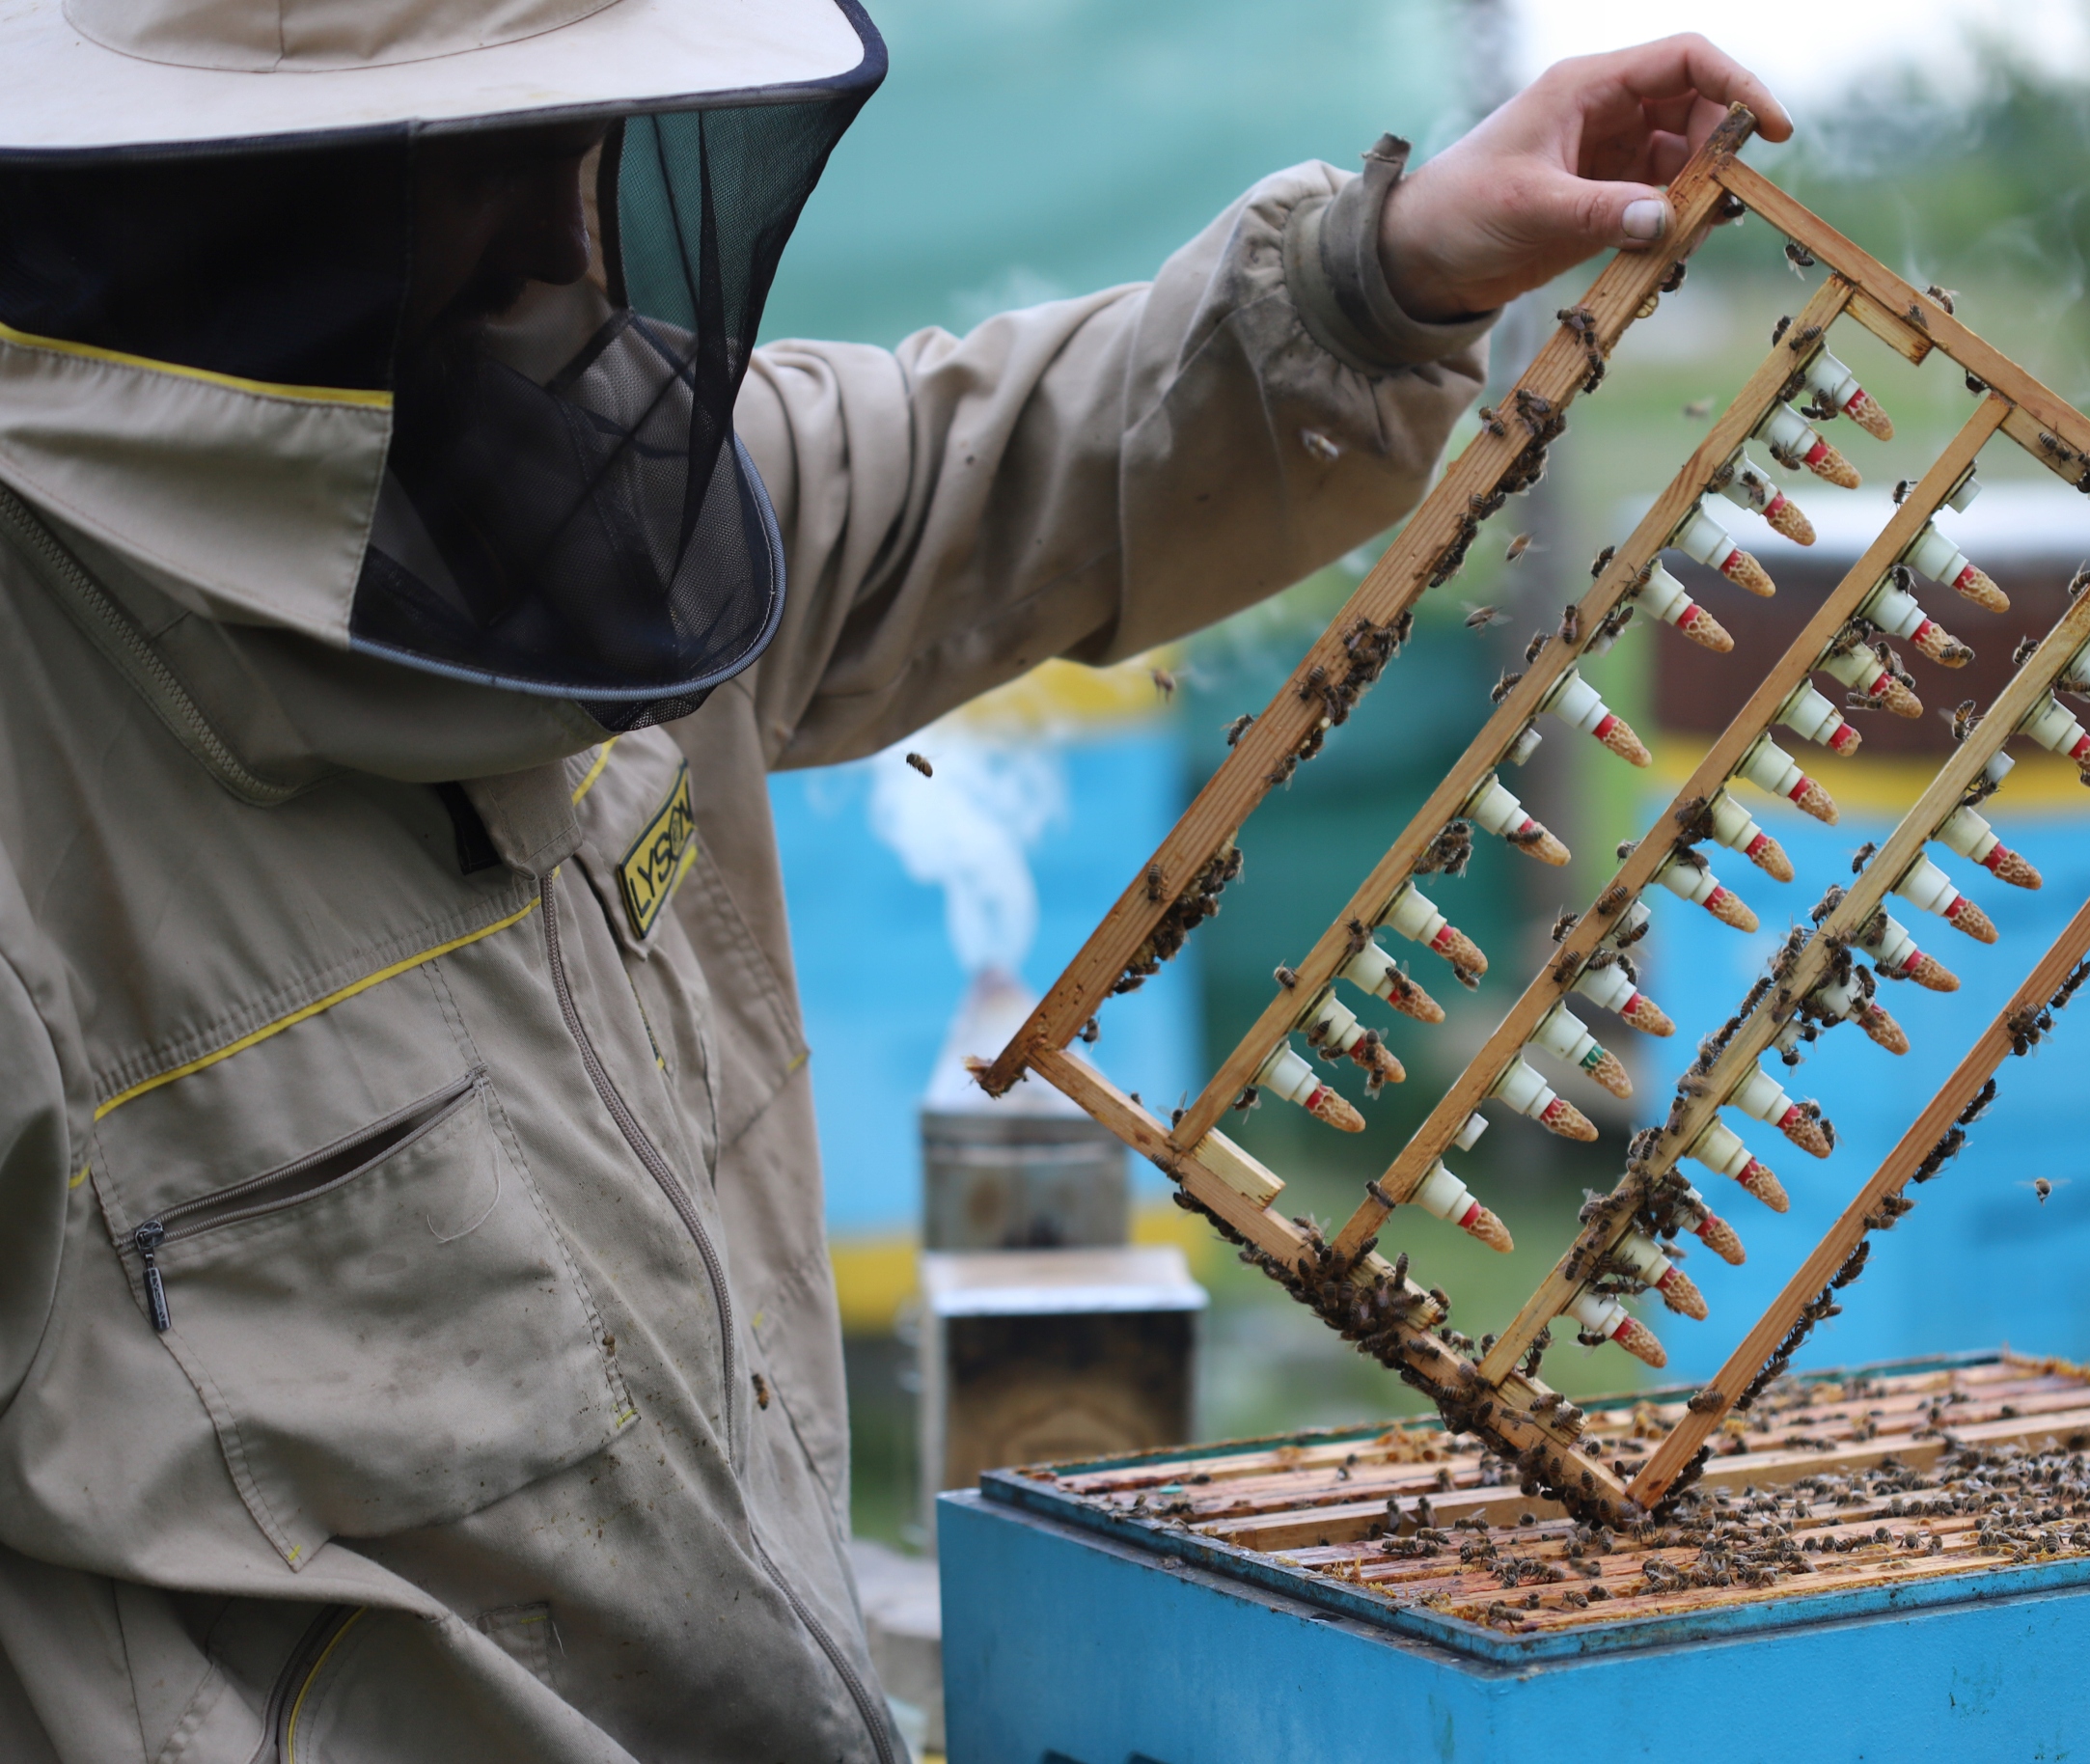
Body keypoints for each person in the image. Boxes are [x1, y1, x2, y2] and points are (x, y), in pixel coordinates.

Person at [0, 1, 1787, 1756]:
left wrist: (1382, 274)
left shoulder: (563, 459)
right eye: (488, 160)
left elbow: (969, 470)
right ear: (234, 199)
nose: (569, 233)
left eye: (588, 145)